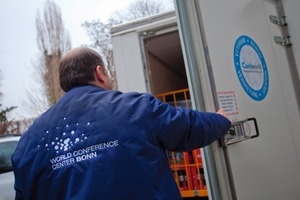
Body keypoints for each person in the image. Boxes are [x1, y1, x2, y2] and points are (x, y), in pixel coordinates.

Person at [12, 47, 231, 200]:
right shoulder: (135, 108)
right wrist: (221, 120)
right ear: (99, 73)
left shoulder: (28, 143)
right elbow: (188, 126)